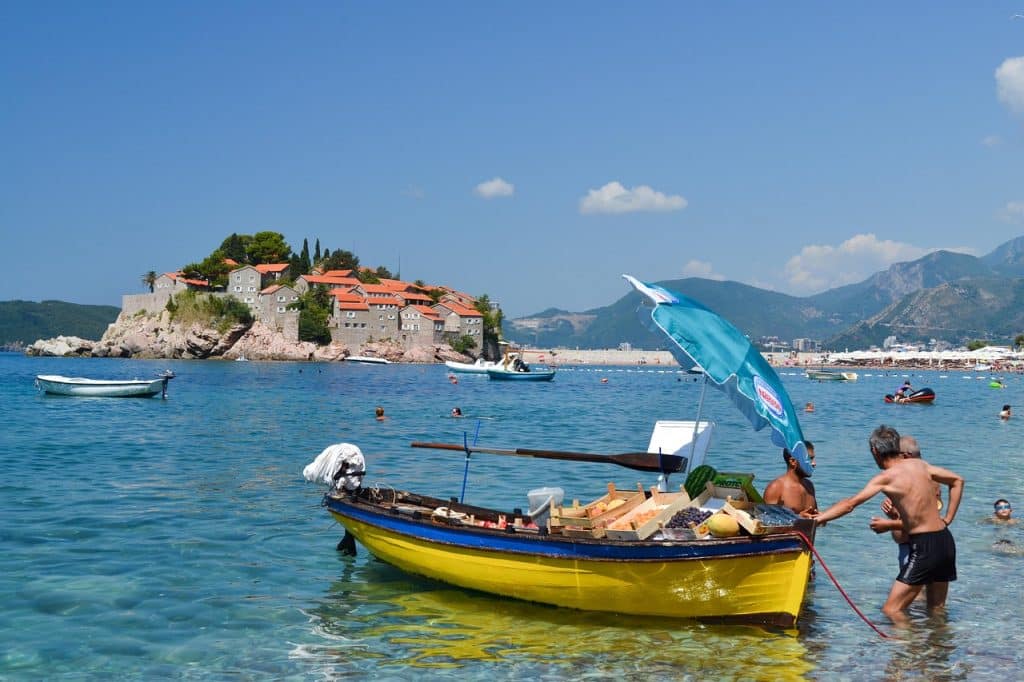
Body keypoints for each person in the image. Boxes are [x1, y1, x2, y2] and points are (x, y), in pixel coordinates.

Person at [813, 425, 964, 623]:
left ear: (875, 451)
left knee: (892, 610)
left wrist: (819, 518)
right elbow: (957, 480)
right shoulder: (921, 465)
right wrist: (948, 518)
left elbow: (850, 504)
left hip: (925, 545)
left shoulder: (886, 478)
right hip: (945, 540)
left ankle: (908, 649)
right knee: (936, 609)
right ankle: (937, 651)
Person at [762, 446, 817, 517]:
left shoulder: (809, 485)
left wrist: (821, 517)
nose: (814, 463)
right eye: (809, 459)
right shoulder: (776, 488)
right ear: (793, 461)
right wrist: (799, 517)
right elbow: (766, 521)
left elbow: (818, 521)